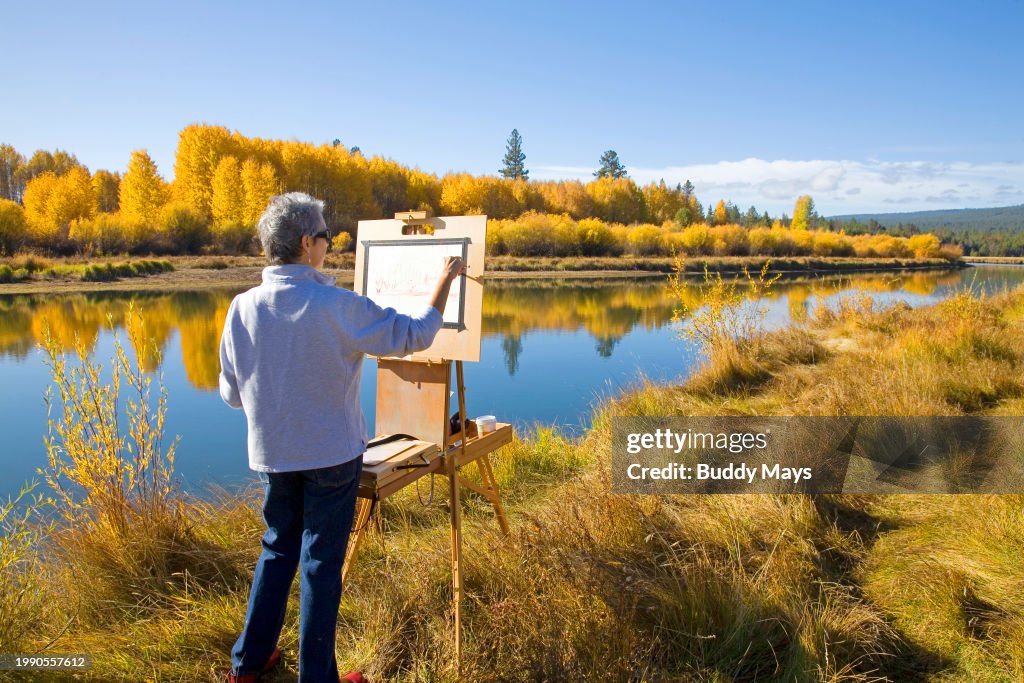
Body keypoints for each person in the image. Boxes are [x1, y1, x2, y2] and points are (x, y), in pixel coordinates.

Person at [219, 192, 463, 683]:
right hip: (332, 455)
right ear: (306, 243)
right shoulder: (337, 305)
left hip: (272, 454)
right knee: (320, 564)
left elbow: (231, 394)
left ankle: (248, 664)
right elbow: (412, 335)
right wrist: (443, 284)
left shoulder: (242, 307)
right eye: (326, 237)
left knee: (277, 547)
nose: (329, 245)